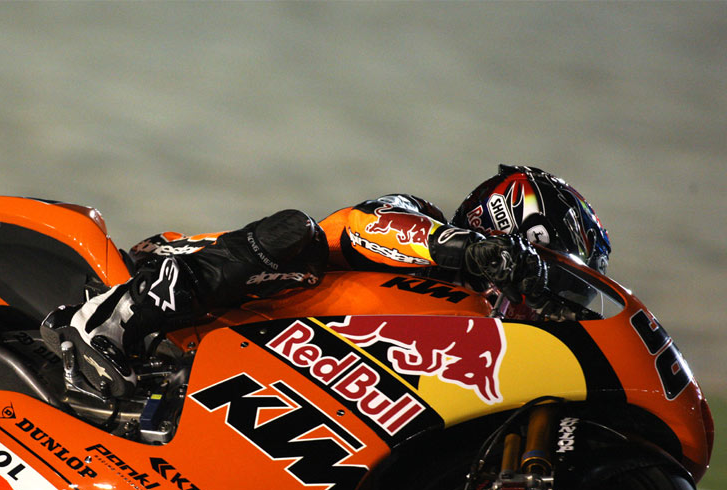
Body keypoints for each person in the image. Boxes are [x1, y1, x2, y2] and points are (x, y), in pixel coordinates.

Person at [42, 164, 612, 397]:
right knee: (301, 236)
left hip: (252, 369)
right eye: (557, 274)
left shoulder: (479, 325)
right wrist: (468, 250)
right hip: (180, 277)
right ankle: (106, 323)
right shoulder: (420, 225)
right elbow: (356, 226)